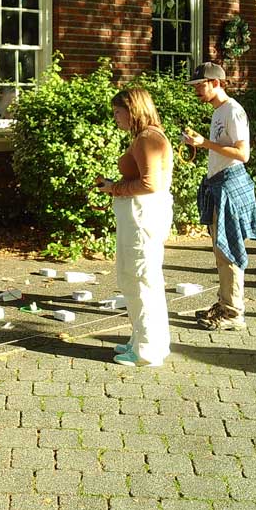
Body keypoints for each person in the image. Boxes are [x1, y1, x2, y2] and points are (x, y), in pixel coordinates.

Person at [95, 87, 174, 367]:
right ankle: (146, 341)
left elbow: (151, 184)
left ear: (133, 110)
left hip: (143, 217)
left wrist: (113, 188)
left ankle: (146, 351)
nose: (115, 117)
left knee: (140, 279)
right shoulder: (148, 136)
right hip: (142, 216)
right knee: (141, 279)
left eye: (118, 112)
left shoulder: (147, 138)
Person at [182, 62, 256, 331]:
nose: (196, 91)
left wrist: (204, 143)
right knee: (221, 250)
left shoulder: (233, 111)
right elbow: (221, 147)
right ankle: (226, 303)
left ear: (215, 83)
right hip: (218, 184)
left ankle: (233, 312)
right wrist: (201, 143)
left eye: (200, 85)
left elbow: (243, 154)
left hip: (230, 185)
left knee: (227, 248)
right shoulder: (219, 111)